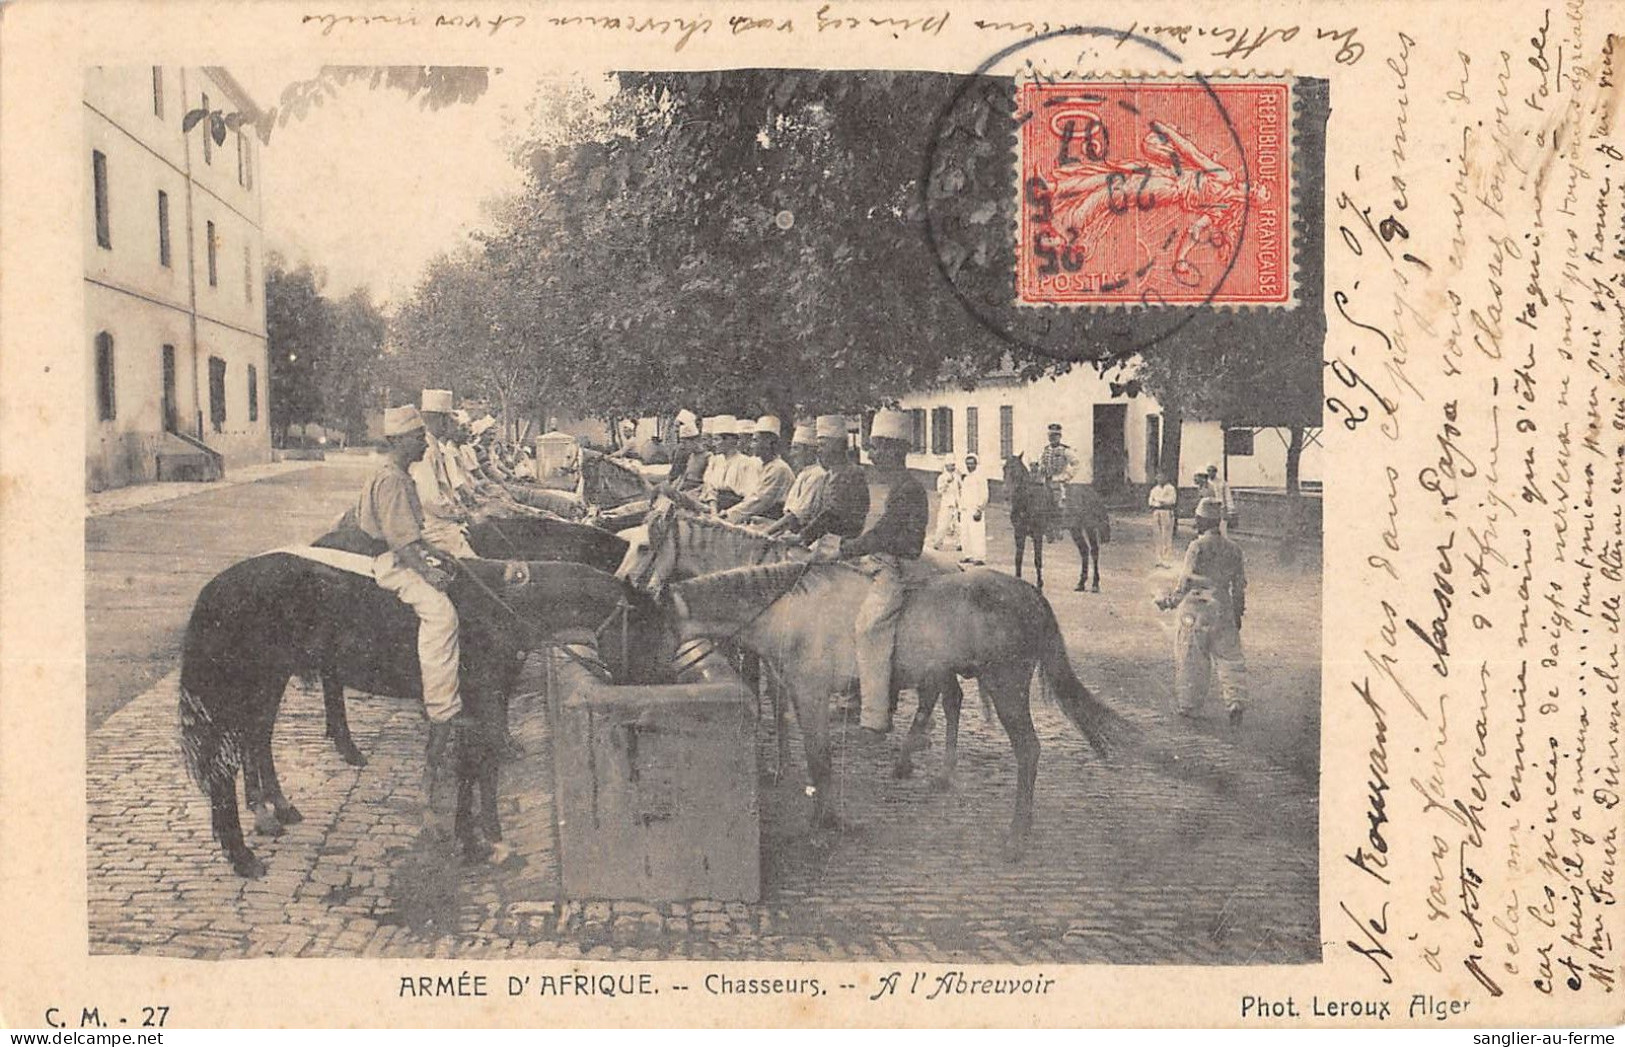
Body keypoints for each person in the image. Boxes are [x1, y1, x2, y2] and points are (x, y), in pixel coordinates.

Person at [355, 405, 464, 823]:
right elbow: (402, 546)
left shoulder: (397, 475)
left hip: (405, 555)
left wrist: (441, 556)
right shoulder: (392, 480)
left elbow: (415, 537)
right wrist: (430, 575)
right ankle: (440, 705)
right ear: (400, 440)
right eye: (418, 436)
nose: (424, 442)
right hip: (392, 565)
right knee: (442, 615)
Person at [839, 408, 930, 740]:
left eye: (877, 447)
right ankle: (851, 691)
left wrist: (845, 549)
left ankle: (876, 717)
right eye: (872, 446)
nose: (872, 453)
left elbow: (886, 535)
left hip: (897, 565)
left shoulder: (907, 488)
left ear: (896, 450)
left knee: (870, 627)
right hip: (880, 558)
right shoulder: (892, 485)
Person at [1157, 497, 1248, 728]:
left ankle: (1190, 705)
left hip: (1196, 609)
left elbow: (1185, 581)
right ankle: (1235, 701)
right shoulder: (1234, 549)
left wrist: (1169, 602)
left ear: (1201, 520)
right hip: (1223, 607)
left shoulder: (1197, 547)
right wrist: (1237, 613)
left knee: (1192, 658)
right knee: (1230, 658)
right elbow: (1239, 586)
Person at [411, 390, 478, 558]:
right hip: (436, 526)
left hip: (447, 521)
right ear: (440, 420)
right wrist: (460, 513)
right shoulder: (426, 450)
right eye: (449, 419)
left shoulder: (437, 448)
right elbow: (430, 500)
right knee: (475, 565)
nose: (451, 423)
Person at [798, 416, 870, 544]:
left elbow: (831, 514)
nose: (819, 451)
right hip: (823, 540)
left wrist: (802, 536)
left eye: (822, 445)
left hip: (841, 543)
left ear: (837, 446)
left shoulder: (851, 473)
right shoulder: (829, 473)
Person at [725, 416, 796, 523]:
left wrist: (729, 514)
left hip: (771, 519)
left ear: (769, 443)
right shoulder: (759, 465)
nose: (751, 445)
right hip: (753, 515)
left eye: (755, 440)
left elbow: (760, 501)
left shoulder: (779, 469)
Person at [766, 419, 827, 536]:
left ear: (809, 450)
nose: (792, 454)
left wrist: (766, 532)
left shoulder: (817, 475)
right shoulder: (803, 474)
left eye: (796, 448)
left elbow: (795, 516)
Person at [1039, 422, 1079, 539]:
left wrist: (1066, 476)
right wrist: (1041, 470)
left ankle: (1059, 528)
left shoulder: (1065, 450)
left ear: (1059, 437)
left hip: (1059, 482)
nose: (1053, 438)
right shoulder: (1045, 450)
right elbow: (1041, 463)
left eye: (1055, 436)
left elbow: (1076, 464)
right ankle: (1047, 529)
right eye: (1051, 436)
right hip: (1047, 481)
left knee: (1058, 504)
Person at [700, 415, 741, 510]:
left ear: (730, 440)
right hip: (713, 505)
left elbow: (749, 495)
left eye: (716, 440)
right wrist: (713, 511)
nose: (714, 444)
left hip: (734, 508)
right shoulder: (715, 460)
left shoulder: (745, 463)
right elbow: (710, 488)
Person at [958, 454, 989, 565]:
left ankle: (979, 557)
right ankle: (968, 555)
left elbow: (984, 494)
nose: (970, 466)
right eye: (968, 464)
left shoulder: (980, 477)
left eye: (972, 464)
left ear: (976, 464)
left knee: (977, 534)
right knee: (965, 534)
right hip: (965, 509)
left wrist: (979, 509)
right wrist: (960, 509)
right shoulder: (966, 477)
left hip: (975, 509)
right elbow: (963, 494)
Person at [667, 413, 710, 493]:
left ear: (695, 441)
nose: (683, 446)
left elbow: (708, 484)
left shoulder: (708, 457)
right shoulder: (690, 456)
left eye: (685, 443)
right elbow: (681, 476)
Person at [1148, 469, 1179, 566]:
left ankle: (1167, 559)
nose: (1160, 479)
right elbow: (1150, 502)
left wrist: (1160, 501)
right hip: (1156, 512)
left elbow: (1171, 501)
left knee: (1166, 535)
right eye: (1158, 477)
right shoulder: (1154, 489)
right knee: (1157, 535)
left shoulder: (1171, 488)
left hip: (1166, 512)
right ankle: (1158, 558)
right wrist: (1158, 502)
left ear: (1166, 477)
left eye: (1162, 476)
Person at [932, 460, 961, 551]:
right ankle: (938, 542)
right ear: (946, 466)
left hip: (956, 503)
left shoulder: (957, 477)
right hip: (946, 503)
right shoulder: (941, 477)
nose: (952, 467)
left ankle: (960, 543)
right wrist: (947, 483)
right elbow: (940, 491)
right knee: (943, 524)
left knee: (958, 525)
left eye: (953, 465)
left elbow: (960, 488)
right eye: (950, 465)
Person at [1205, 464, 1234, 536]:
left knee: (1222, 530)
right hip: (1209, 510)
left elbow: (1228, 497)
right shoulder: (1205, 483)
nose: (1210, 473)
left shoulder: (1222, 483)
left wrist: (1230, 510)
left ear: (1215, 472)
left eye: (1212, 471)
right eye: (1208, 471)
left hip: (1221, 509)